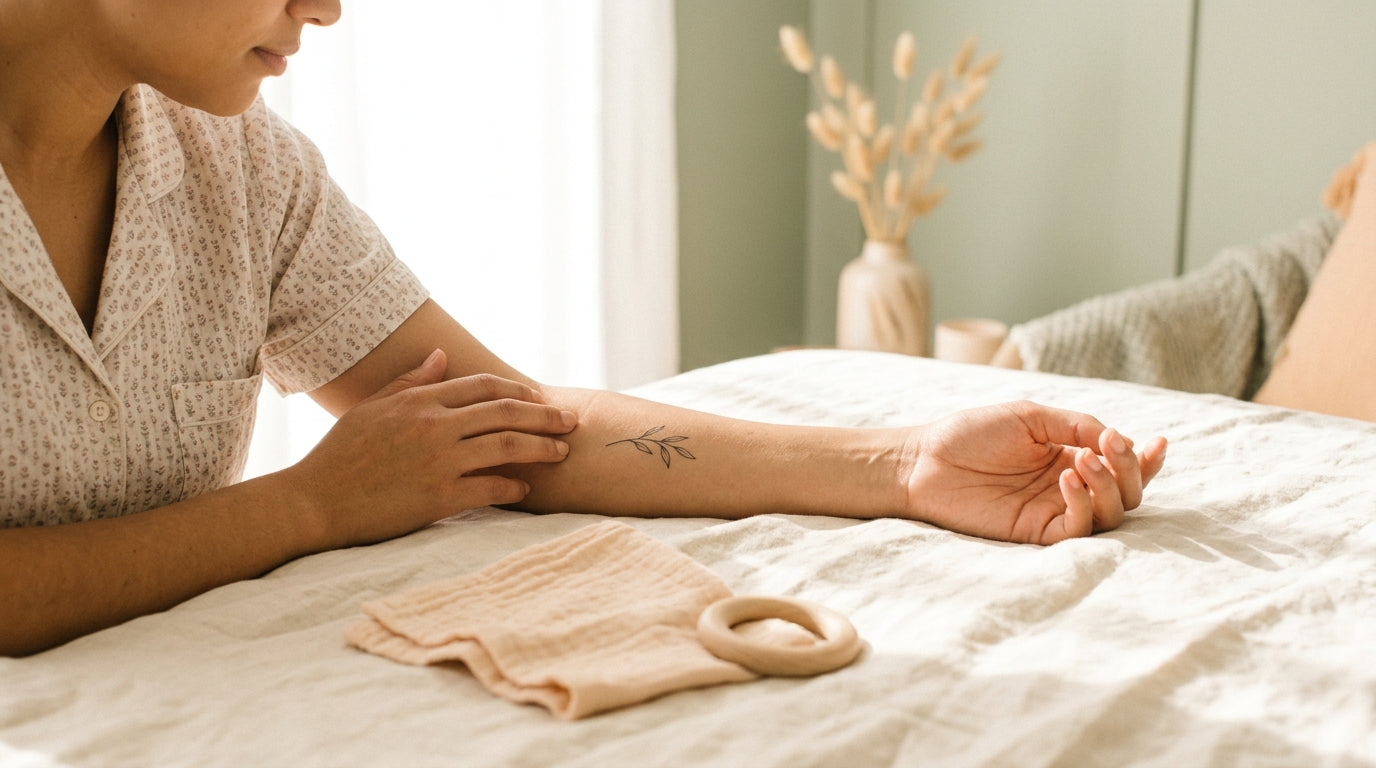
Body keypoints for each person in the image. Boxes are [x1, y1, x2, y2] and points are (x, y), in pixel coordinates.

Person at [0, 0, 1167, 657]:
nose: (327, 6)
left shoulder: (240, 166)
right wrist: (306, 506)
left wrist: (903, 468)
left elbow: (519, 433)